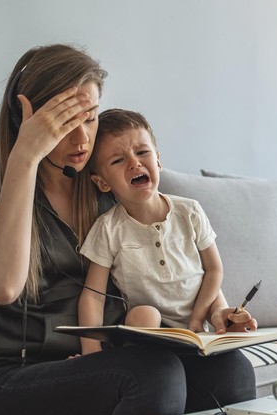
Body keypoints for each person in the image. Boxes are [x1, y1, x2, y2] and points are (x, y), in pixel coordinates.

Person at [0, 44, 257, 415]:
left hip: (106, 367)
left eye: (90, 117)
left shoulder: (105, 185)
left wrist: (218, 312)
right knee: (154, 374)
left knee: (232, 370)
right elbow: (3, 286)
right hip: (18, 378)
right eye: (63, 123)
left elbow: (177, 267)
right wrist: (25, 156)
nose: (82, 139)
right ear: (27, 121)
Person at [78, 109, 226, 354]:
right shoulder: (108, 228)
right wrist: (90, 353)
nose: (134, 163)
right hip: (150, 330)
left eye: (142, 152)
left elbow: (214, 269)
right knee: (145, 314)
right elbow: (93, 296)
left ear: (157, 161)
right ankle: (147, 364)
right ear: (102, 182)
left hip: (197, 322)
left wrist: (200, 318)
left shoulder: (190, 211)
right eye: (118, 160)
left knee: (226, 320)